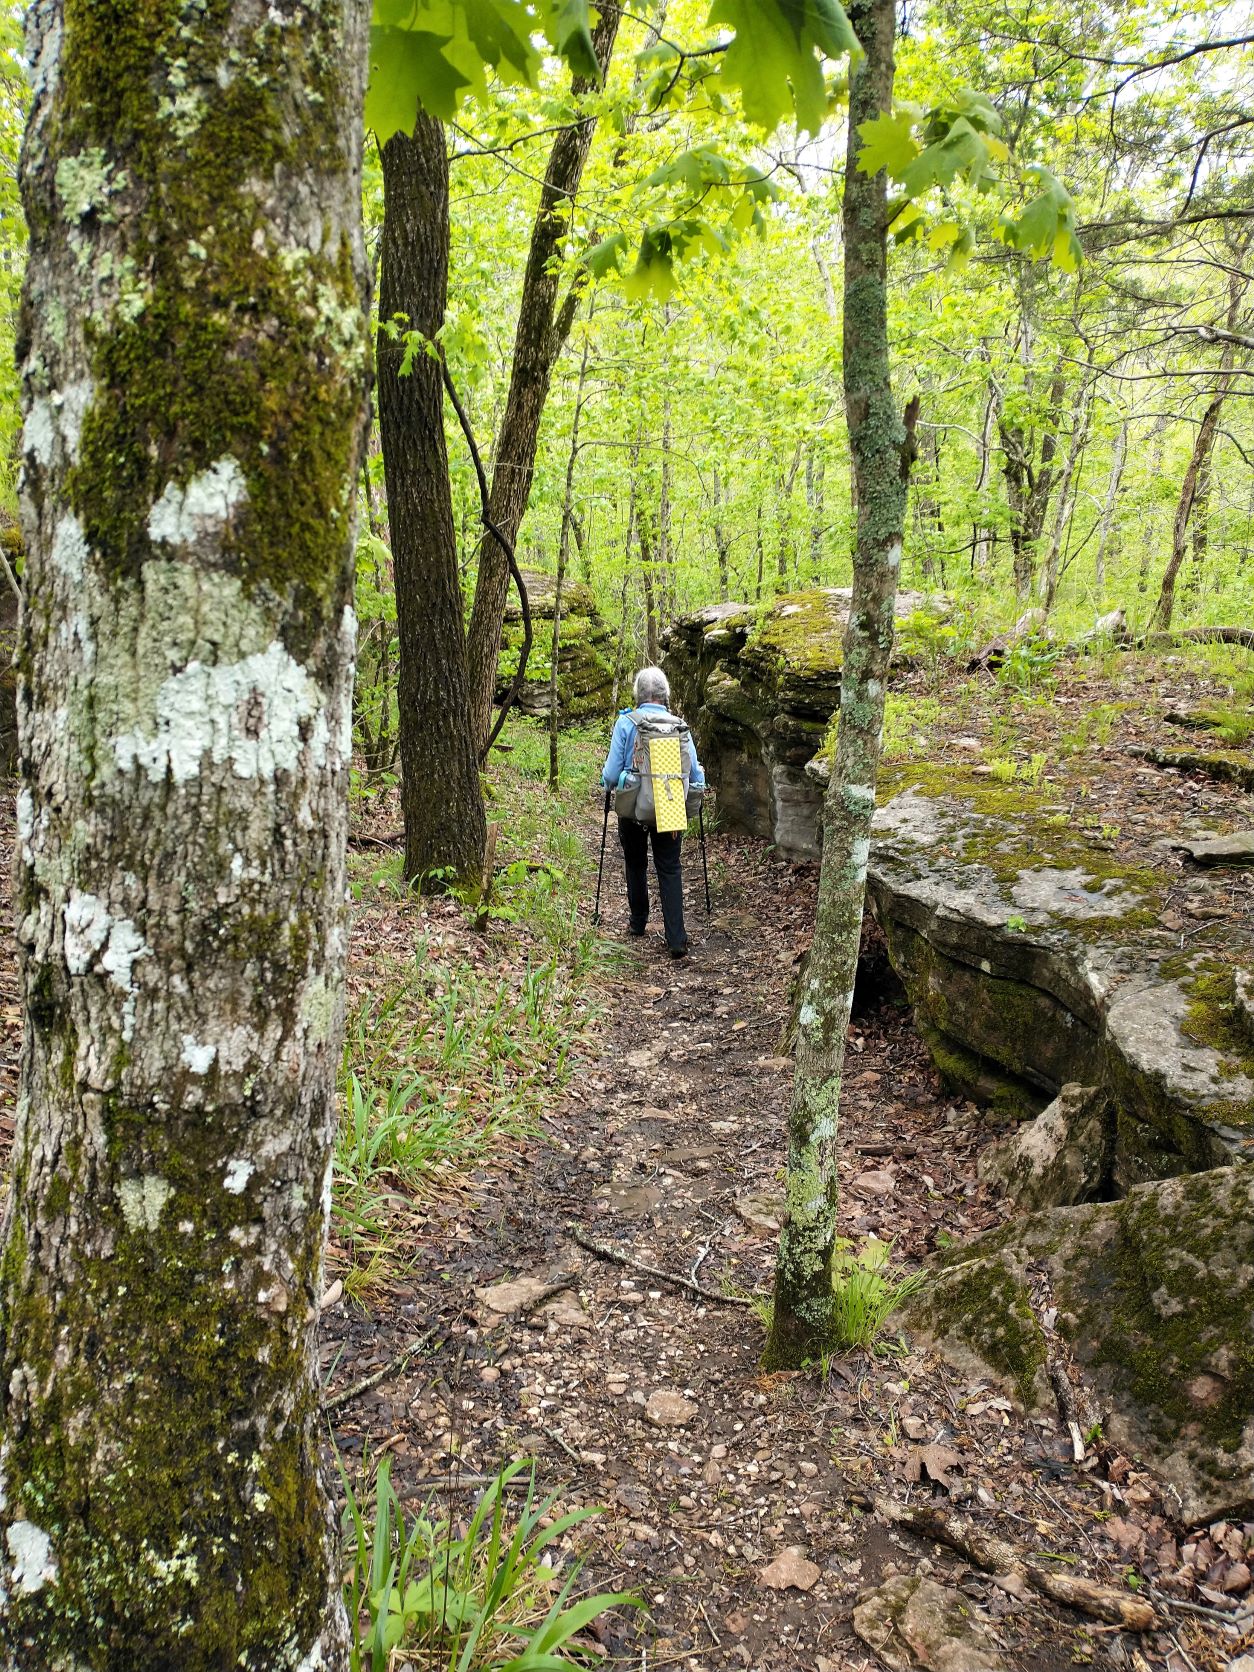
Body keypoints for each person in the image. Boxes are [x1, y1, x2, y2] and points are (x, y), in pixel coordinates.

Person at [601, 667, 706, 959]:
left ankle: (637, 923)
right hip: (670, 803)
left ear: (638, 695)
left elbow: (611, 775)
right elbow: (695, 774)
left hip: (635, 805)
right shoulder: (679, 726)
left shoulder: (626, 722)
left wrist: (608, 782)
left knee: (635, 863)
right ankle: (676, 939)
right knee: (670, 867)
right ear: (664, 695)